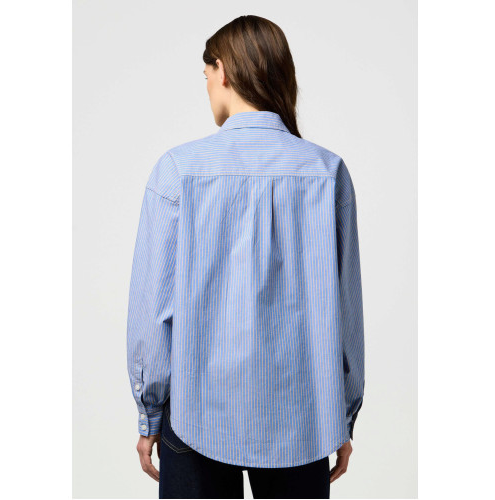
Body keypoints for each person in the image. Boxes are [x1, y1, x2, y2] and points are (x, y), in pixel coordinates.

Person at [127, 14, 365, 499]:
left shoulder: (178, 171)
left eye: (206, 73)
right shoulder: (327, 172)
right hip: (303, 421)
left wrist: (149, 413)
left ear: (224, 71)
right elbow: (347, 315)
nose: (206, 86)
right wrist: (342, 417)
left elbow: (153, 315)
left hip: (195, 416)